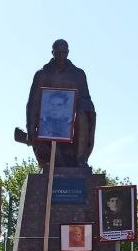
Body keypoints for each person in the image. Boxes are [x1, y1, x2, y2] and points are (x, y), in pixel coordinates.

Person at [22, 39, 96, 168]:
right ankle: (49, 159)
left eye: (64, 52)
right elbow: (33, 104)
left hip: (72, 123)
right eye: (58, 52)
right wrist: (30, 130)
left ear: (68, 52)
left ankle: (80, 160)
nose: (62, 55)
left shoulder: (78, 74)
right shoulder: (42, 74)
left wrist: (76, 107)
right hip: (47, 124)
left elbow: (87, 99)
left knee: (82, 112)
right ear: (53, 52)